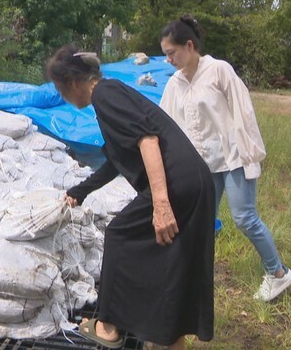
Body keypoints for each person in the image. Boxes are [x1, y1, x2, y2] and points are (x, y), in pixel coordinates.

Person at [47, 45, 215, 349]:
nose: (63, 98)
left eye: (61, 89)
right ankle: (167, 336)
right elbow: (116, 160)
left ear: (72, 82)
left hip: (176, 183)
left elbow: (147, 140)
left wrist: (161, 204)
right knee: (168, 257)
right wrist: (78, 192)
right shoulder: (110, 94)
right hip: (192, 179)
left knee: (120, 236)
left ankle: (108, 326)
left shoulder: (105, 96)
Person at [159, 15, 291, 302]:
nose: (168, 60)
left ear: (189, 45)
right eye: (165, 54)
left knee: (244, 218)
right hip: (203, 164)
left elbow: (244, 111)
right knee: (201, 221)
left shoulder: (218, 70)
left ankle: (278, 274)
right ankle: (193, 277)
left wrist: (249, 155)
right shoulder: (174, 84)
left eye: (171, 53)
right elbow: (166, 123)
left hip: (233, 158)